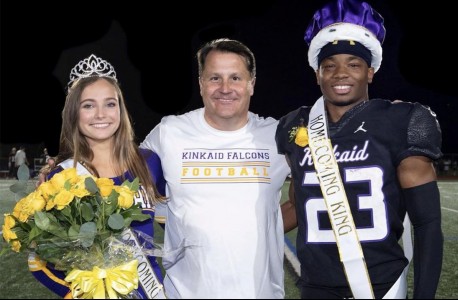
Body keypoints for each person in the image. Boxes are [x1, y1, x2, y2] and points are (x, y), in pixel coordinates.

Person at [276, 0, 443, 298]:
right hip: (316, 287)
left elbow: (427, 223)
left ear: (370, 72)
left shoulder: (401, 120)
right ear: (317, 74)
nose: (341, 73)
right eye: (329, 66)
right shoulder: (294, 125)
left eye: (353, 64)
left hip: (381, 285)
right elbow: (299, 205)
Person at [140, 38, 291, 298]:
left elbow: (310, 196)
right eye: (214, 78)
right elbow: (118, 172)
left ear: (251, 84)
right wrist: (62, 168)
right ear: (201, 84)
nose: (225, 88)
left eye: (235, 78)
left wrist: (266, 228)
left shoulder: (277, 136)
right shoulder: (169, 133)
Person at [28, 54, 167, 299]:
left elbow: (177, 223)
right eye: (88, 105)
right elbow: (38, 261)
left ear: (120, 109)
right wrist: (80, 293)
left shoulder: (149, 162)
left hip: (150, 292)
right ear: (74, 113)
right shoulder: (62, 177)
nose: (101, 114)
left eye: (110, 103)